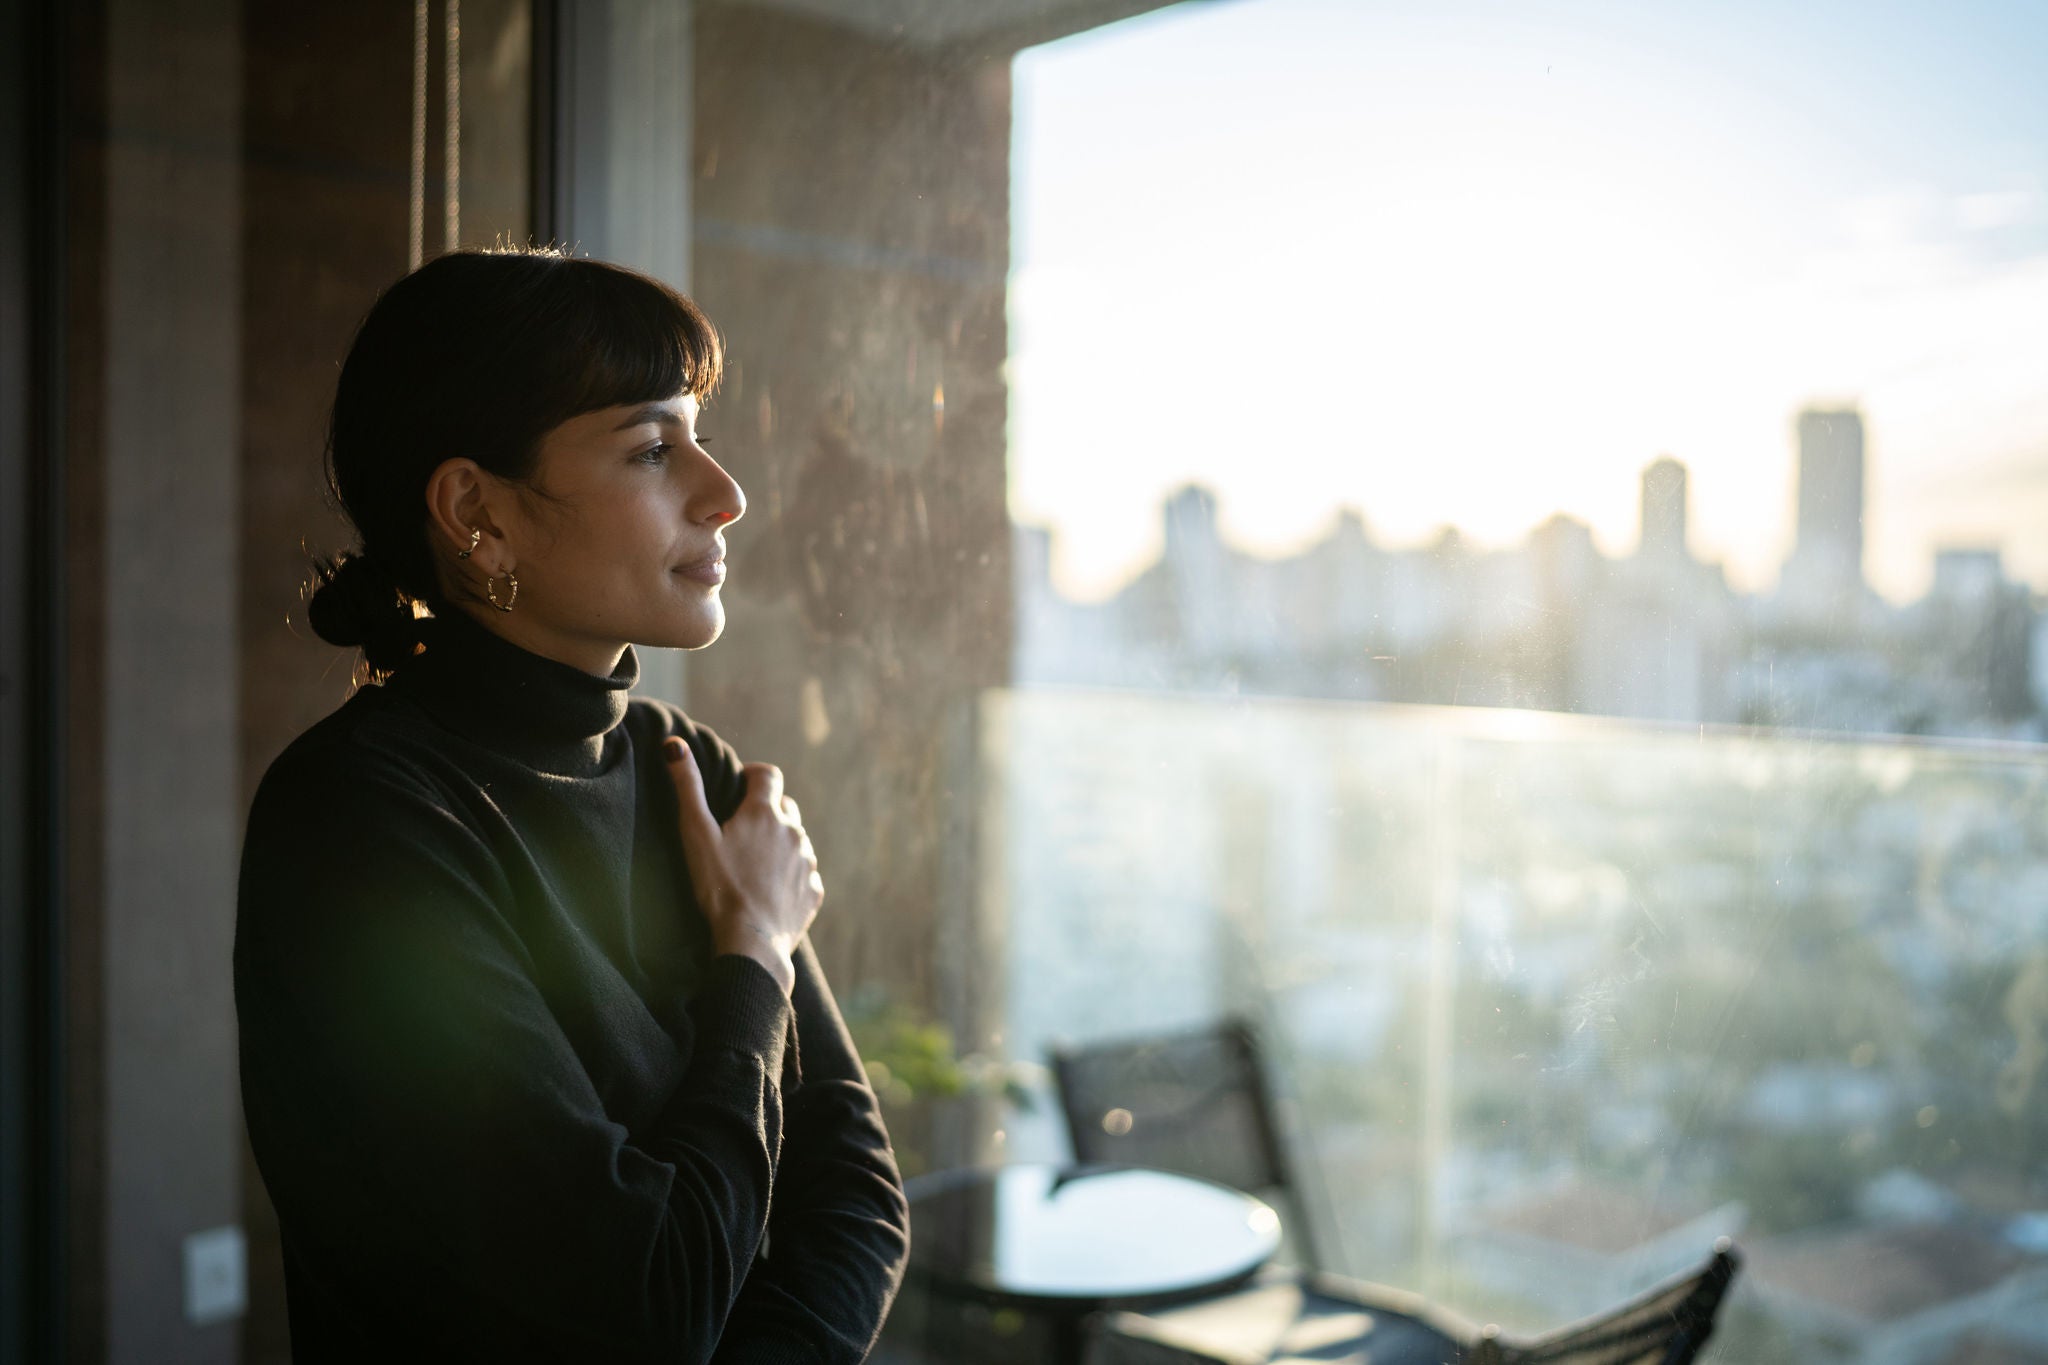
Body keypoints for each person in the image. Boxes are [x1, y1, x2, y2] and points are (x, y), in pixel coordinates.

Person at [233, 247, 910, 1363]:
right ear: (476, 513)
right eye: (653, 448)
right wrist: (752, 951)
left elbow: (854, 1200)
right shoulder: (359, 824)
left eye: (697, 431)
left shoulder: (691, 767)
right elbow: (637, 1311)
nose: (724, 491)